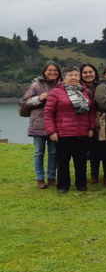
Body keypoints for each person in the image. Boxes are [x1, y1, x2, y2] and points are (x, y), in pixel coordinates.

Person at [44, 66, 96, 194]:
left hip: (82, 132)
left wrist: (91, 127)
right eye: (70, 75)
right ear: (64, 77)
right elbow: (48, 114)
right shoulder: (56, 92)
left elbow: (91, 112)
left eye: (76, 75)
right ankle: (63, 185)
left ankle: (81, 183)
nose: (74, 77)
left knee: (81, 160)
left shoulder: (85, 92)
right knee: (63, 161)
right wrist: (52, 131)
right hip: (63, 133)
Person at [20, 61, 61, 189]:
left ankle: (51, 177)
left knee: (54, 152)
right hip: (38, 124)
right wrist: (38, 98)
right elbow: (24, 102)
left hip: (55, 124)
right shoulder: (35, 85)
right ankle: (40, 179)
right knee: (39, 152)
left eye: (55, 70)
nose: (52, 72)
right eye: (49, 70)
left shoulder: (61, 85)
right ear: (44, 71)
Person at [79, 63, 102, 183]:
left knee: (95, 151)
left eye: (90, 72)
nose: (88, 74)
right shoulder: (77, 87)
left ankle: (94, 176)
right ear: (81, 74)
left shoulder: (101, 85)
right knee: (81, 151)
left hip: (99, 122)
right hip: (82, 122)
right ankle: (81, 176)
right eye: (85, 72)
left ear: (95, 72)